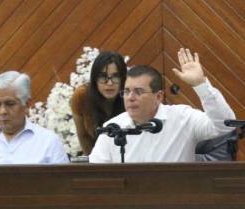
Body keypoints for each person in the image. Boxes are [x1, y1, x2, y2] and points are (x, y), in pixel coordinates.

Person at [89, 49, 235, 163]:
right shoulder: (112, 128)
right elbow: (97, 174)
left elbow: (225, 125)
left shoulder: (183, 118)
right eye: (126, 91)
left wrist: (200, 85)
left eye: (138, 92)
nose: (130, 98)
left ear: (158, 96)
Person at [0, 71, 68, 165]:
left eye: (10, 104)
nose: (2, 111)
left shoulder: (49, 141)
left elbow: (64, 181)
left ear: (26, 104)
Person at [70, 51, 127, 156]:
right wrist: (93, 162)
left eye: (115, 76)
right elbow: (83, 136)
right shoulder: (81, 96)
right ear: (95, 79)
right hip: (96, 156)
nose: (109, 83)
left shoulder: (130, 95)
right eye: (103, 77)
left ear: (123, 78)